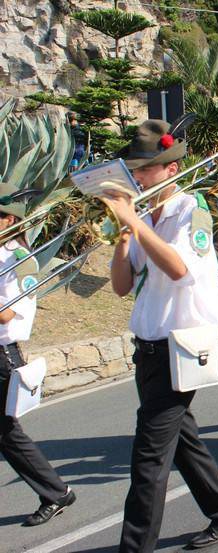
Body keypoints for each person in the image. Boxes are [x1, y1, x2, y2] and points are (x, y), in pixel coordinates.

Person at [106, 120, 218, 551]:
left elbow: (179, 268)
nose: (136, 178)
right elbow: (121, 286)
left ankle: (135, 547)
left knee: (148, 457)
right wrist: (123, 236)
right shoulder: (145, 216)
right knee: (182, 441)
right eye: (133, 170)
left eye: (143, 170)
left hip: (181, 347)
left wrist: (135, 220)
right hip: (148, 349)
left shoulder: (193, 210)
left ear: (170, 169)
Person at [0, 184, 76, 527]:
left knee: (7, 433)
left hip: (3, 352)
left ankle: (55, 491)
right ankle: (55, 490)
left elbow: (9, 313)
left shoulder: (20, 260)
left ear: (10, 220)